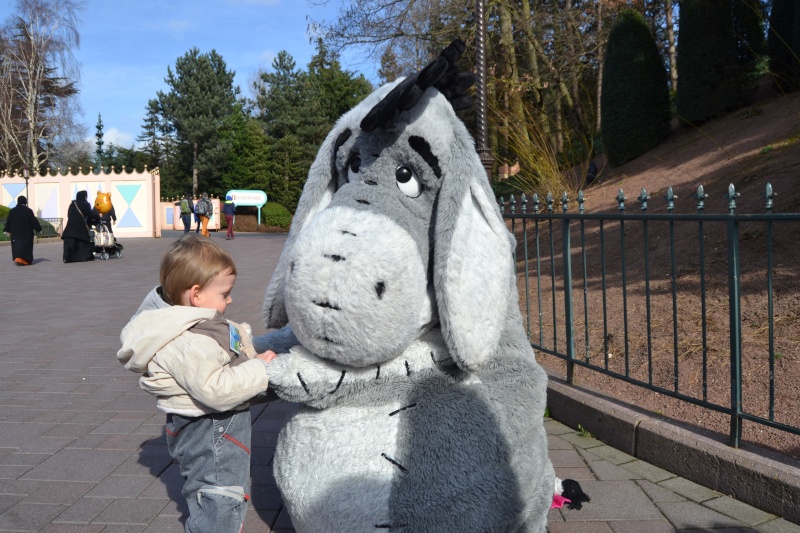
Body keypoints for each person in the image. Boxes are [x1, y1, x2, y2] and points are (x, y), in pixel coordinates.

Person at [117, 234, 276, 533]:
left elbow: (224, 358)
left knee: (221, 490)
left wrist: (254, 359)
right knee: (219, 494)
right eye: (225, 293)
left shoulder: (194, 323)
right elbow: (214, 390)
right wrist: (259, 369)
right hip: (211, 428)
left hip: (212, 427)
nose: (230, 299)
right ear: (196, 295)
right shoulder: (188, 340)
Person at [3, 195, 42, 266]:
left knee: (17, 246)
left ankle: (18, 259)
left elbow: (9, 221)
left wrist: (6, 230)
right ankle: (25, 260)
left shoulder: (12, 211)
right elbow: (33, 221)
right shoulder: (28, 211)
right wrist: (39, 229)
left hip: (15, 233)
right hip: (26, 233)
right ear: (25, 202)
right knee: (26, 246)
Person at [62, 190, 99, 263]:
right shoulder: (85, 203)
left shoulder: (72, 204)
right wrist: (98, 216)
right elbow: (89, 213)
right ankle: (84, 257)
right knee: (82, 241)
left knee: (70, 242)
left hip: (70, 226)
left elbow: (68, 214)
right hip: (80, 226)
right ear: (84, 196)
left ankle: (68, 258)